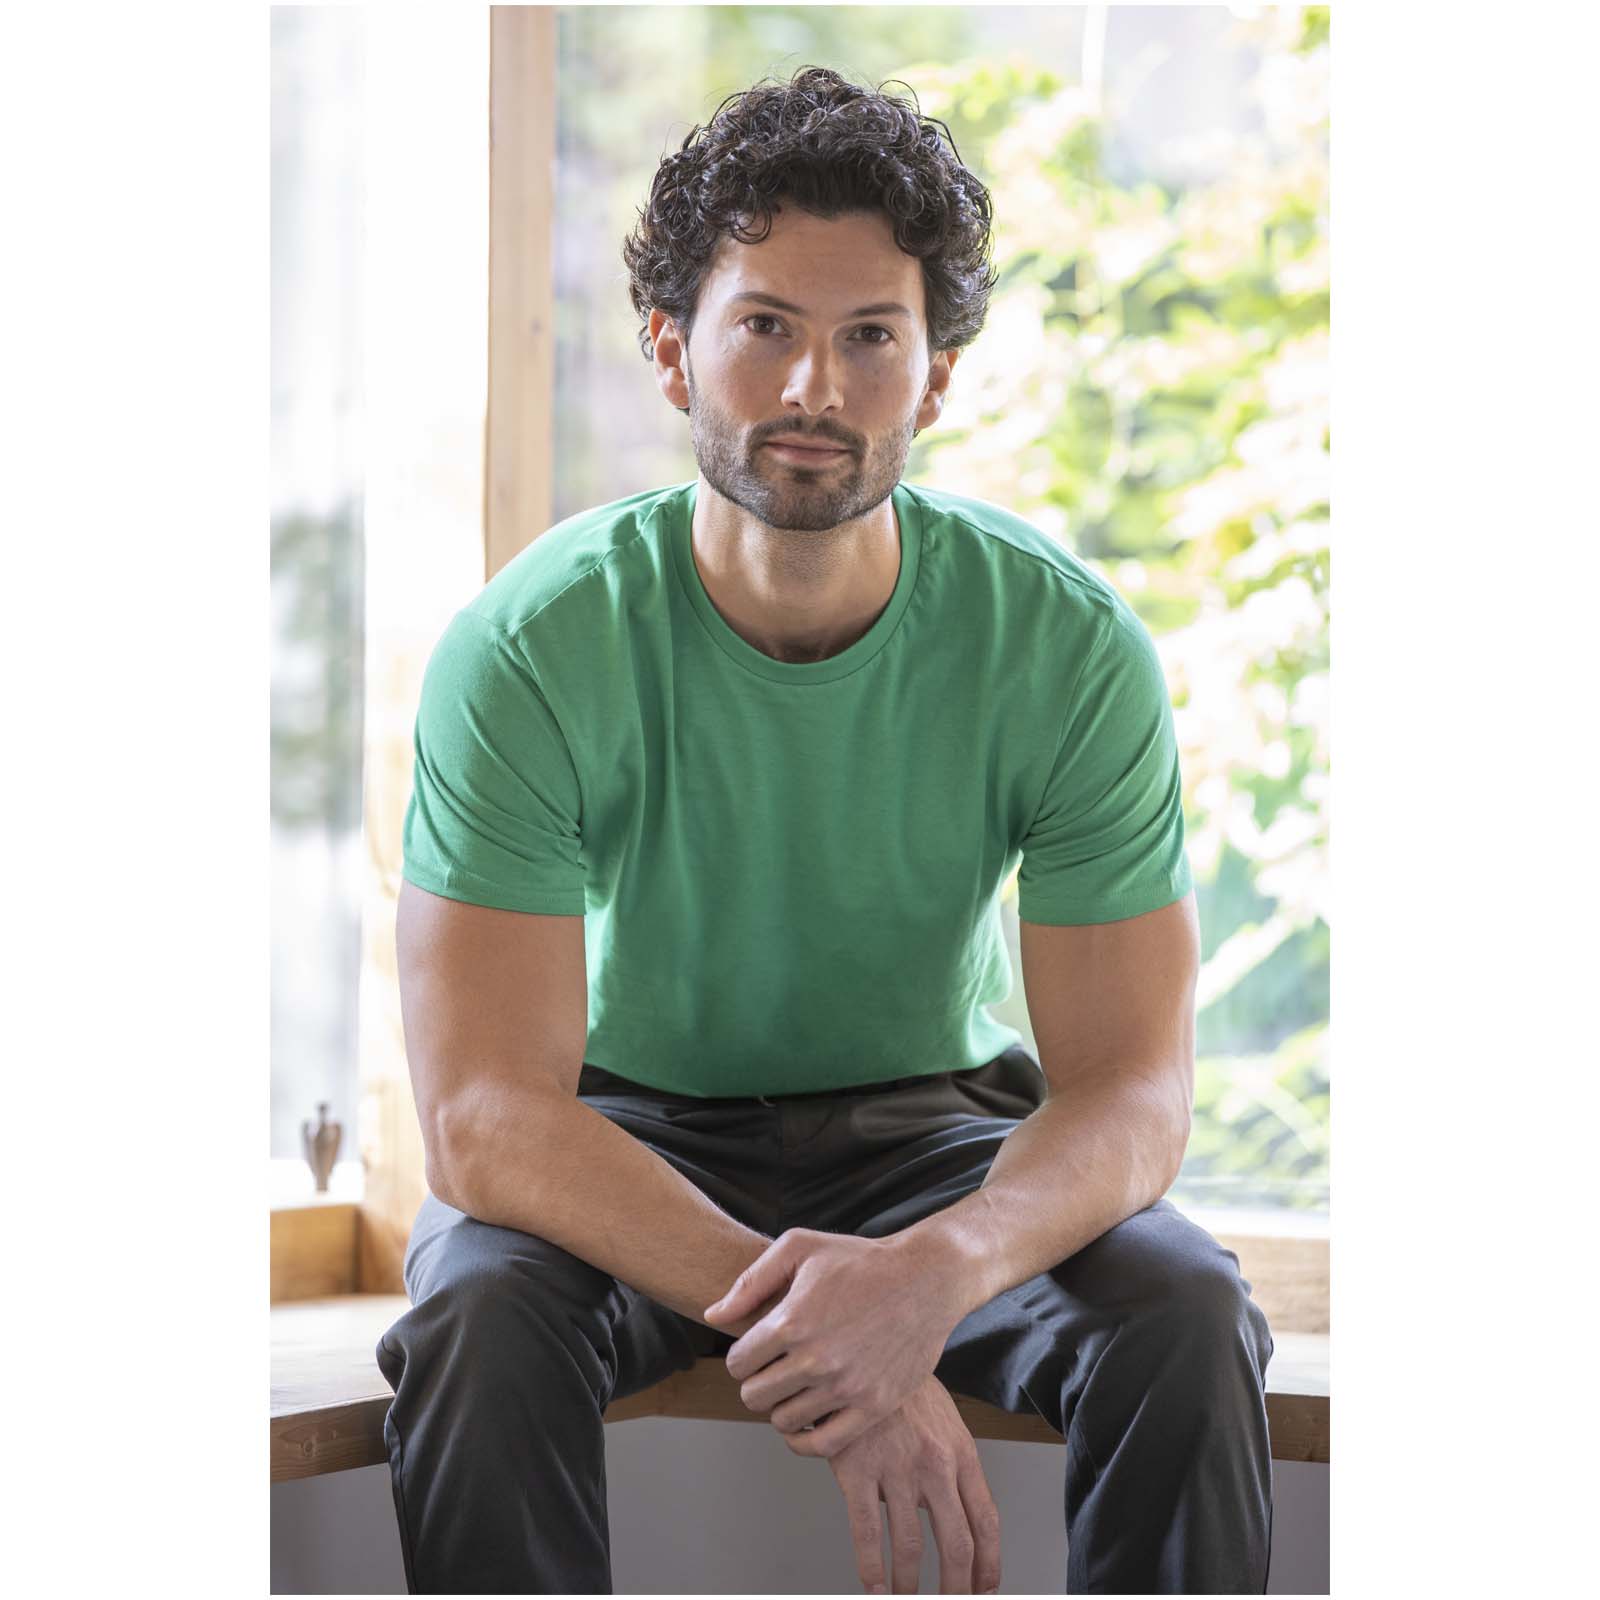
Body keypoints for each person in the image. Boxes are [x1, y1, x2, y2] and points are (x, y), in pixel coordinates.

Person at [374, 64, 1274, 1596]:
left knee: (1184, 1314)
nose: (815, 389)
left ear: (935, 378)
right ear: (673, 350)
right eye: (765, 327)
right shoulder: (529, 647)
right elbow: (485, 1116)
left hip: (934, 1141)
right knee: (474, 1320)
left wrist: (937, 1273)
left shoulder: (1065, 645)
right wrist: (834, 1329)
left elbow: (1132, 1093)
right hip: (629, 1137)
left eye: (871, 337)